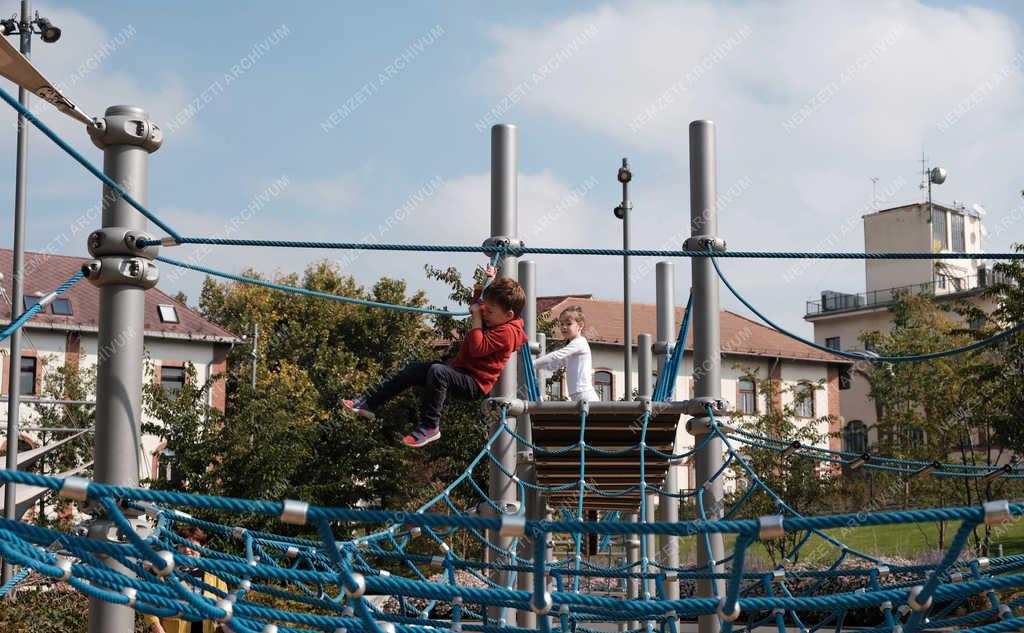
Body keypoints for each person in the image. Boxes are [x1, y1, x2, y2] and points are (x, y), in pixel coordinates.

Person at [342, 267, 527, 447]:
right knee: (412, 370)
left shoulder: (508, 333)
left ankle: (430, 426)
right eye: (486, 311)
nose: (485, 313)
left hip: (474, 383)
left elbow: (478, 347)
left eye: (490, 312)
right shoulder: (497, 317)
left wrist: (477, 317)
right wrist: (485, 283)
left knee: (438, 372)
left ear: (508, 315)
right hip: (459, 370)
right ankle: (370, 403)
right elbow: (478, 304)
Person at [144, 527, 228, 633]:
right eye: (182, 546)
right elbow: (149, 607)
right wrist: (158, 629)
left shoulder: (217, 582)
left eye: (192, 546)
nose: (187, 550)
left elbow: (225, 616)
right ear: (177, 549)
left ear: (203, 547)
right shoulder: (165, 578)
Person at [534, 306, 599, 402]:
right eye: (562, 324)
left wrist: (533, 363)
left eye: (569, 324)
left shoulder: (579, 342)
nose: (564, 327)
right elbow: (555, 364)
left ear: (580, 326)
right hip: (578, 395)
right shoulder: (573, 346)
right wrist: (538, 366)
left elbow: (557, 356)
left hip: (584, 394)